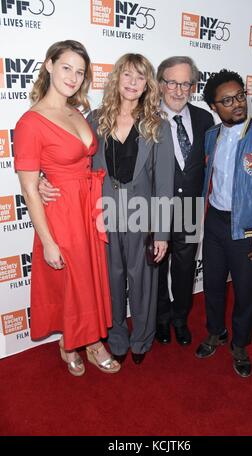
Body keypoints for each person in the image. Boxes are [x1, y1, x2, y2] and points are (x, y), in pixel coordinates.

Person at [40, 53, 175, 365]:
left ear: (147, 85)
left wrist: (163, 234)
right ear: (117, 78)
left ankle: (141, 340)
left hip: (143, 215)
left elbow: (165, 185)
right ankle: (116, 338)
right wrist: (44, 180)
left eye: (139, 77)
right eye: (127, 75)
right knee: (110, 280)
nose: (132, 83)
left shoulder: (158, 126)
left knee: (143, 283)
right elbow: (72, 161)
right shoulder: (95, 119)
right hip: (102, 214)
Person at [14, 40, 120, 376]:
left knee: (89, 278)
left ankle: (90, 340)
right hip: (61, 214)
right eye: (66, 67)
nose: (73, 77)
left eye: (79, 71)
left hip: (87, 207)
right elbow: (30, 188)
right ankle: (70, 342)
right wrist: (47, 241)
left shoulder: (76, 112)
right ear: (48, 65)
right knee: (71, 281)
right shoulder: (31, 122)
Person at [195, 69, 252, 377]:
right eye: (227, 100)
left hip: (248, 231)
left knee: (246, 293)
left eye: (239, 96)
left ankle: (239, 345)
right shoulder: (211, 136)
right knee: (212, 287)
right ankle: (216, 332)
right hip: (216, 224)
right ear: (213, 107)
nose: (237, 104)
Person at [155, 56, 214, 346]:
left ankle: (180, 318)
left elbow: (223, 151)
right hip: (152, 210)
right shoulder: (146, 118)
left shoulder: (205, 118)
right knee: (156, 269)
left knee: (184, 268)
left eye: (186, 83)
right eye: (172, 82)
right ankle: (161, 319)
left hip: (190, 209)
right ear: (159, 84)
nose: (179, 90)